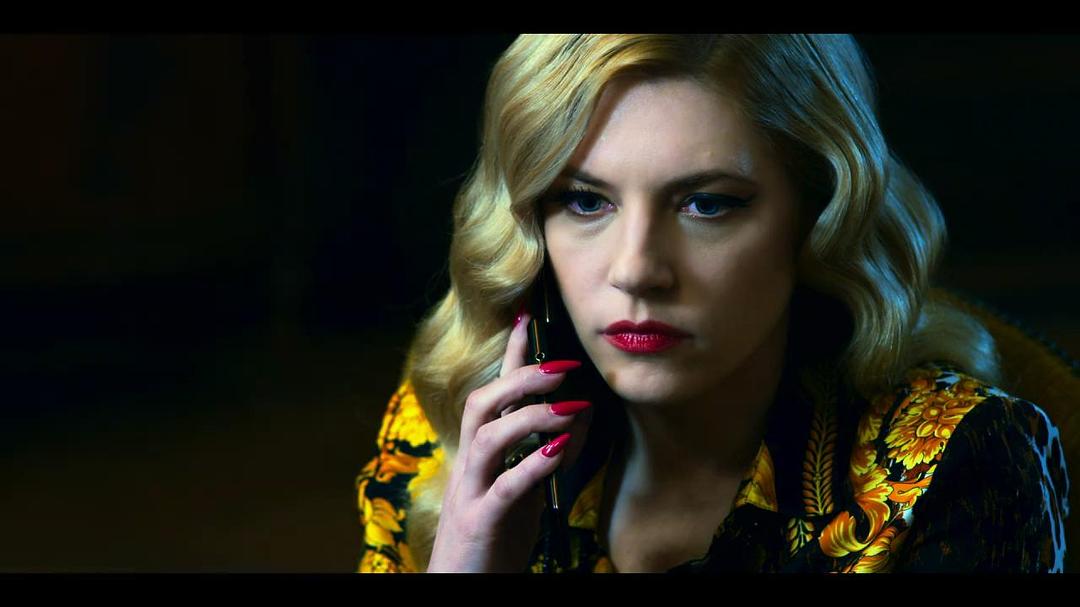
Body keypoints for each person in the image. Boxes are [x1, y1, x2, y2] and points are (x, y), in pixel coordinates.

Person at [355, 34, 1070, 573]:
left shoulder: (960, 464)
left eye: (707, 203)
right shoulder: (447, 435)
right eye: (585, 201)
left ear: (818, 217)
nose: (636, 270)